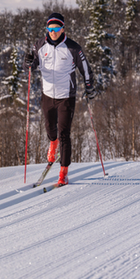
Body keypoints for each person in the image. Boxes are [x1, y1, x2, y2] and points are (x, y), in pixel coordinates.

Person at [28, 16, 93, 186]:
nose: (53, 32)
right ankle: (52, 143)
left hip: (66, 96)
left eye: (57, 29)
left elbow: (85, 68)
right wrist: (27, 62)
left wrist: (89, 86)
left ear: (63, 29)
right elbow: (31, 64)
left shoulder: (73, 48)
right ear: (47, 30)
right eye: (50, 29)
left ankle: (63, 173)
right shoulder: (40, 45)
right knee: (50, 129)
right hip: (47, 95)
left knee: (65, 133)